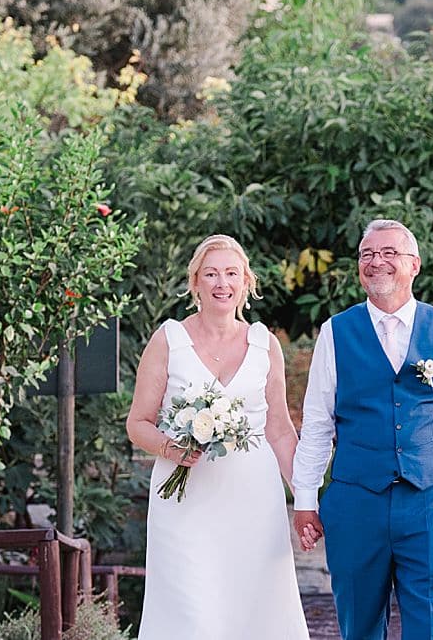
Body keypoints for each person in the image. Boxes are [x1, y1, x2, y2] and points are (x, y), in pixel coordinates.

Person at [293, 219, 433, 640]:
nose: (376, 262)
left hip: (430, 504)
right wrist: (305, 499)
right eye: (367, 255)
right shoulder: (335, 332)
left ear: (415, 265)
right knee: (359, 627)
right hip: (355, 503)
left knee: (427, 628)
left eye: (389, 253)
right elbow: (316, 424)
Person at [125, 234, 309, 639]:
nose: (221, 283)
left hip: (253, 500)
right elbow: (137, 422)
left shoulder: (265, 344)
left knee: (254, 610)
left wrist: (308, 500)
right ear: (195, 283)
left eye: (230, 273)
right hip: (185, 500)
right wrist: (171, 447)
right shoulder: (169, 339)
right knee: (190, 612)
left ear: (246, 282)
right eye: (211, 274)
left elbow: (278, 430)